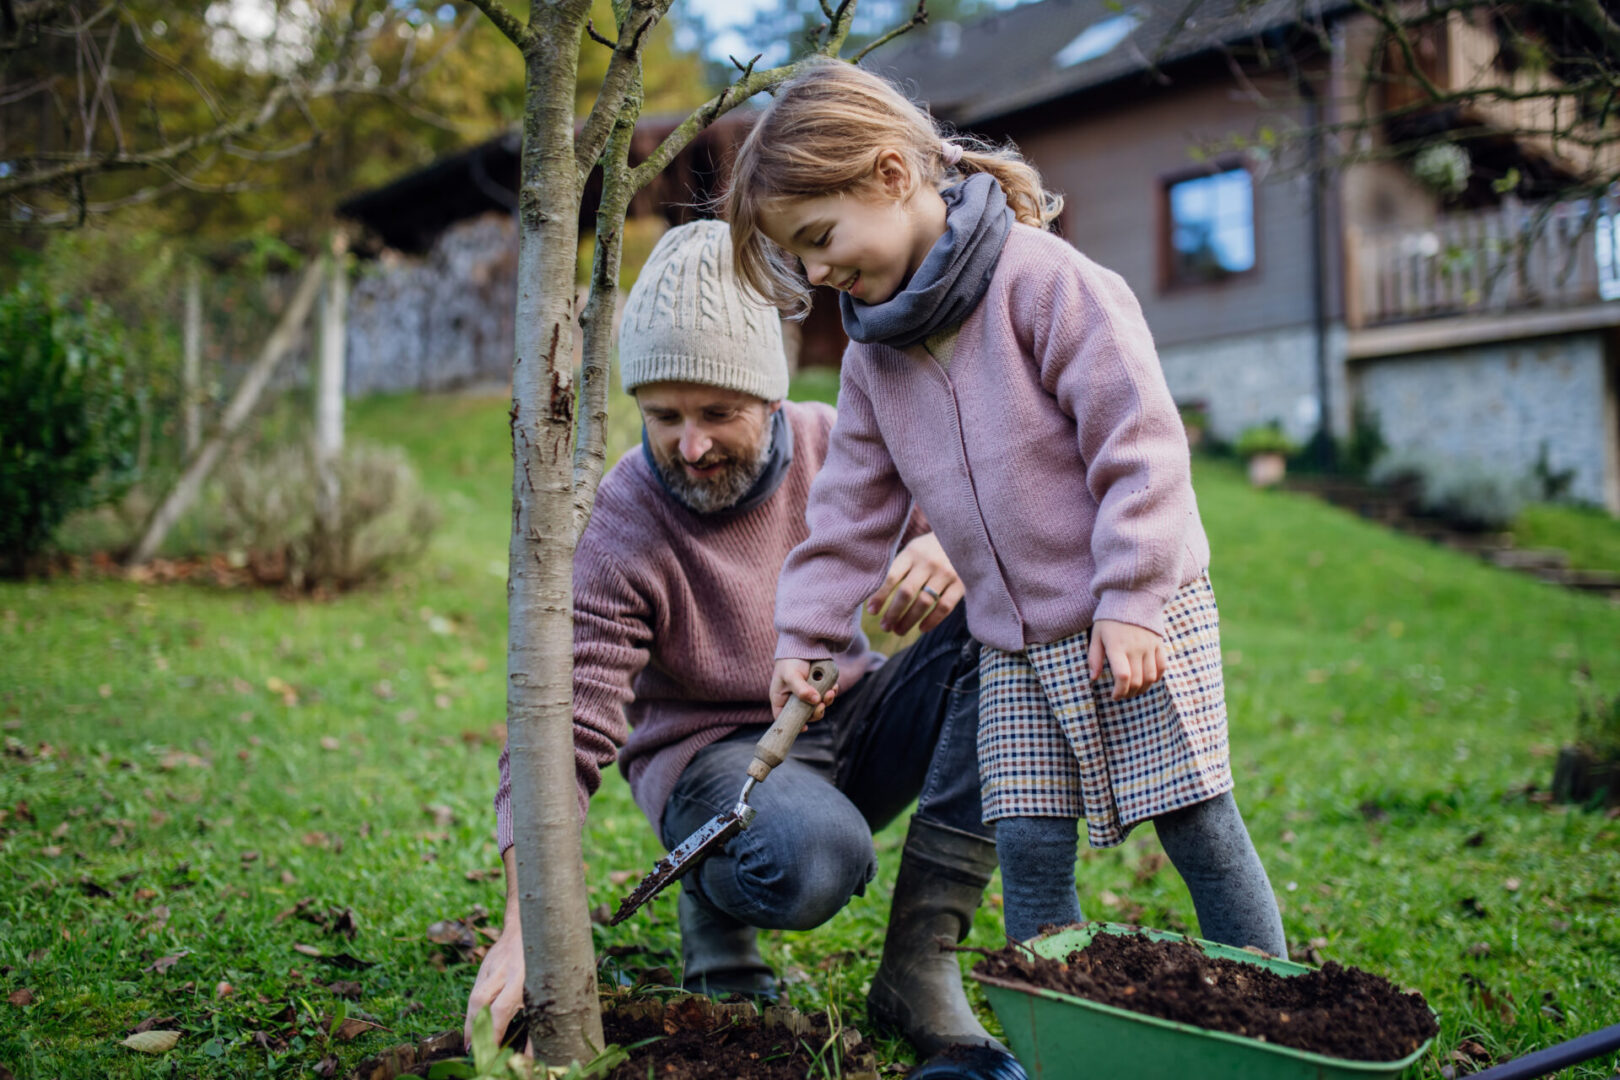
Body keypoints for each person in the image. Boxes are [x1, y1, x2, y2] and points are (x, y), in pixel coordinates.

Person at [726, 60, 1290, 956]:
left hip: (1135, 615)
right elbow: (848, 514)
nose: (817, 267)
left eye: (821, 235)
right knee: (1027, 843)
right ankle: (1052, 1020)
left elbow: (1140, 444)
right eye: (798, 254)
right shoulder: (875, 358)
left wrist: (1135, 599)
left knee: (1195, 823)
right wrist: (806, 636)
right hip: (1013, 645)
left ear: (891, 175)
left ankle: (1272, 1018)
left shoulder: (1046, 283)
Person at [464, 219, 1008, 1058]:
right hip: (713, 755)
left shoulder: (838, 442)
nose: (691, 444)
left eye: (719, 412)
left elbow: (996, 519)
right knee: (811, 859)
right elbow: (560, 728)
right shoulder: (622, 522)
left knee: (1013, 618)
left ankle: (921, 961)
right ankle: (719, 892)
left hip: (851, 715)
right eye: (664, 415)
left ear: (770, 396)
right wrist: (522, 925)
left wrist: (953, 547)